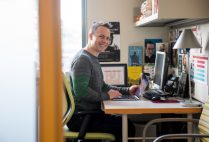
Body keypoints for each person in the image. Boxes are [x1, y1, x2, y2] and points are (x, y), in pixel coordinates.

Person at [68, 21, 138, 142]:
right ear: (90, 36)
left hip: (91, 114)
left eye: (107, 38)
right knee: (126, 126)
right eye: (101, 36)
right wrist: (106, 96)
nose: (105, 41)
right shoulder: (83, 60)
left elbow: (103, 86)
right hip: (82, 118)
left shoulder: (92, 58)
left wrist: (127, 90)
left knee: (125, 123)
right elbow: (81, 92)